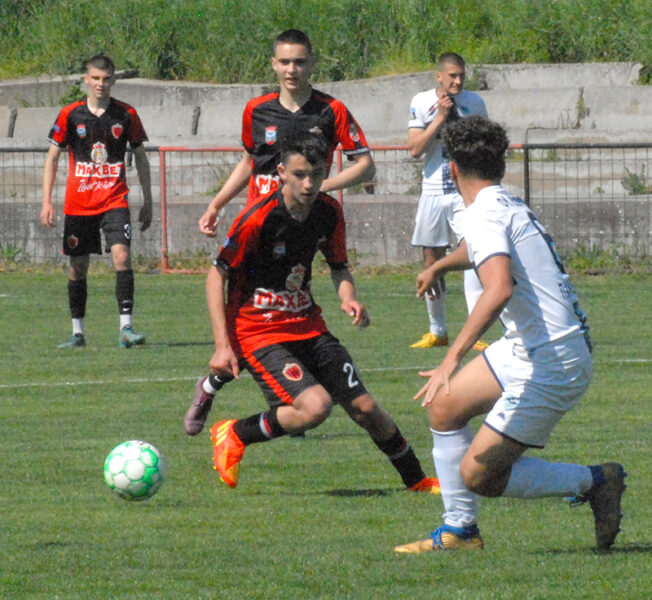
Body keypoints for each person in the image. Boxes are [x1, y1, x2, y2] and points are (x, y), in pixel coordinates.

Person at [394, 116, 626, 553]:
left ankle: (596, 480)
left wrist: (451, 357)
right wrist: (441, 264)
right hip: (532, 348)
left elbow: (499, 287)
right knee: (443, 407)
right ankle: (460, 531)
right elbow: (480, 246)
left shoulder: (483, 214)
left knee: (479, 476)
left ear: (451, 170)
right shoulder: (503, 203)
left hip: (553, 362)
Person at [186, 133, 439, 494]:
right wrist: (222, 345)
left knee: (366, 408)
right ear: (281, 173)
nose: (309, 183)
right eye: (300, 174)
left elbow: (338, 266)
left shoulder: (328, 212)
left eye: (316, 174)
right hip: (259, 332)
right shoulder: (259, 218)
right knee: (315, 407)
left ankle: (417, 481)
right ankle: (234, 433)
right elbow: (216, 276)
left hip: (308, 325)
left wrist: (349, 297)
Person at [194, 28, 374, 402]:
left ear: (312, 64)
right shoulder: (256, 110)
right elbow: (249, 162)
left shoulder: (331, 110)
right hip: (261, 226)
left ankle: (285, 397)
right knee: (247, 313)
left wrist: (316, 189)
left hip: (302, 225)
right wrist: (218, 203)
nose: (292, 69)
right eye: (285, 62)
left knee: (289, 307)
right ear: (274, 65)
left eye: (300, 61)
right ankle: (245, 384)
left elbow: (365, 166)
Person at [41, 54, 153, 349]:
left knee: (122, 257)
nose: (101, 84)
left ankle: (126, 328)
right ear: (86, 80)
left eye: (106, 79)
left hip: (114, 199)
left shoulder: (126, 114)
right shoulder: (70, 115)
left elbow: (140, 156)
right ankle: (78, 333)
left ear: (113, 80)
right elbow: (52, 157)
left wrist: (148, 199)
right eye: (96, 79)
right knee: (78, 266)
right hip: (79, 204)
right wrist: (47, 201)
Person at [407, 52, 489, 350]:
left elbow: (485, 144)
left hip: (462, 191)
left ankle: (475, 332)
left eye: (461, 76)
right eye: (452, 75)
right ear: (438, 76)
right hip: (432, 192)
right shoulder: (421, 101)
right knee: (433, 261)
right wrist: (440, 118)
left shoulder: (475, 104)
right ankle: (437, 331)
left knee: (473, 253)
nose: (457, 81)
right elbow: (415, 149)